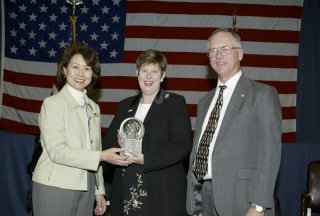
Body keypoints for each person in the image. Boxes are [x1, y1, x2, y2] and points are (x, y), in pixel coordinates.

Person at [186, 28, 282, 216]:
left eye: (225, 49)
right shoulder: (205, 102)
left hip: (243, 200)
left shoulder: (263, 94)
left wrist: (259, 205)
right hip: (204, 199)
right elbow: (198, 153)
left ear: (240, 53)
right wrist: (195, 202)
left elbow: (270, 154)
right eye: (213, 50)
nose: (218, 55)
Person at [32, 42, 130, 216]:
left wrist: (99, 190)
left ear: (93, 74)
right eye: (75, 67)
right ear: (64, 70)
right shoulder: (52, 104)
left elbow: (95, 149)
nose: (80, 73)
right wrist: (101, 156)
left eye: (87, 68)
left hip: (86, 186)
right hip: (55, 185)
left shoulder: (94, 108)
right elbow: (57, 152)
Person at [103, 49, 192, 216]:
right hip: (126, 187)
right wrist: (119, 147)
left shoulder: (175, 103)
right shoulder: (125, 105)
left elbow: (182, 145)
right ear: (137, 74)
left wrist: (146, 159)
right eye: (144, 70)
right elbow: (108, 144)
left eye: (154, 71)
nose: (149, 76)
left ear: (162, 76)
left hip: (161, 190)